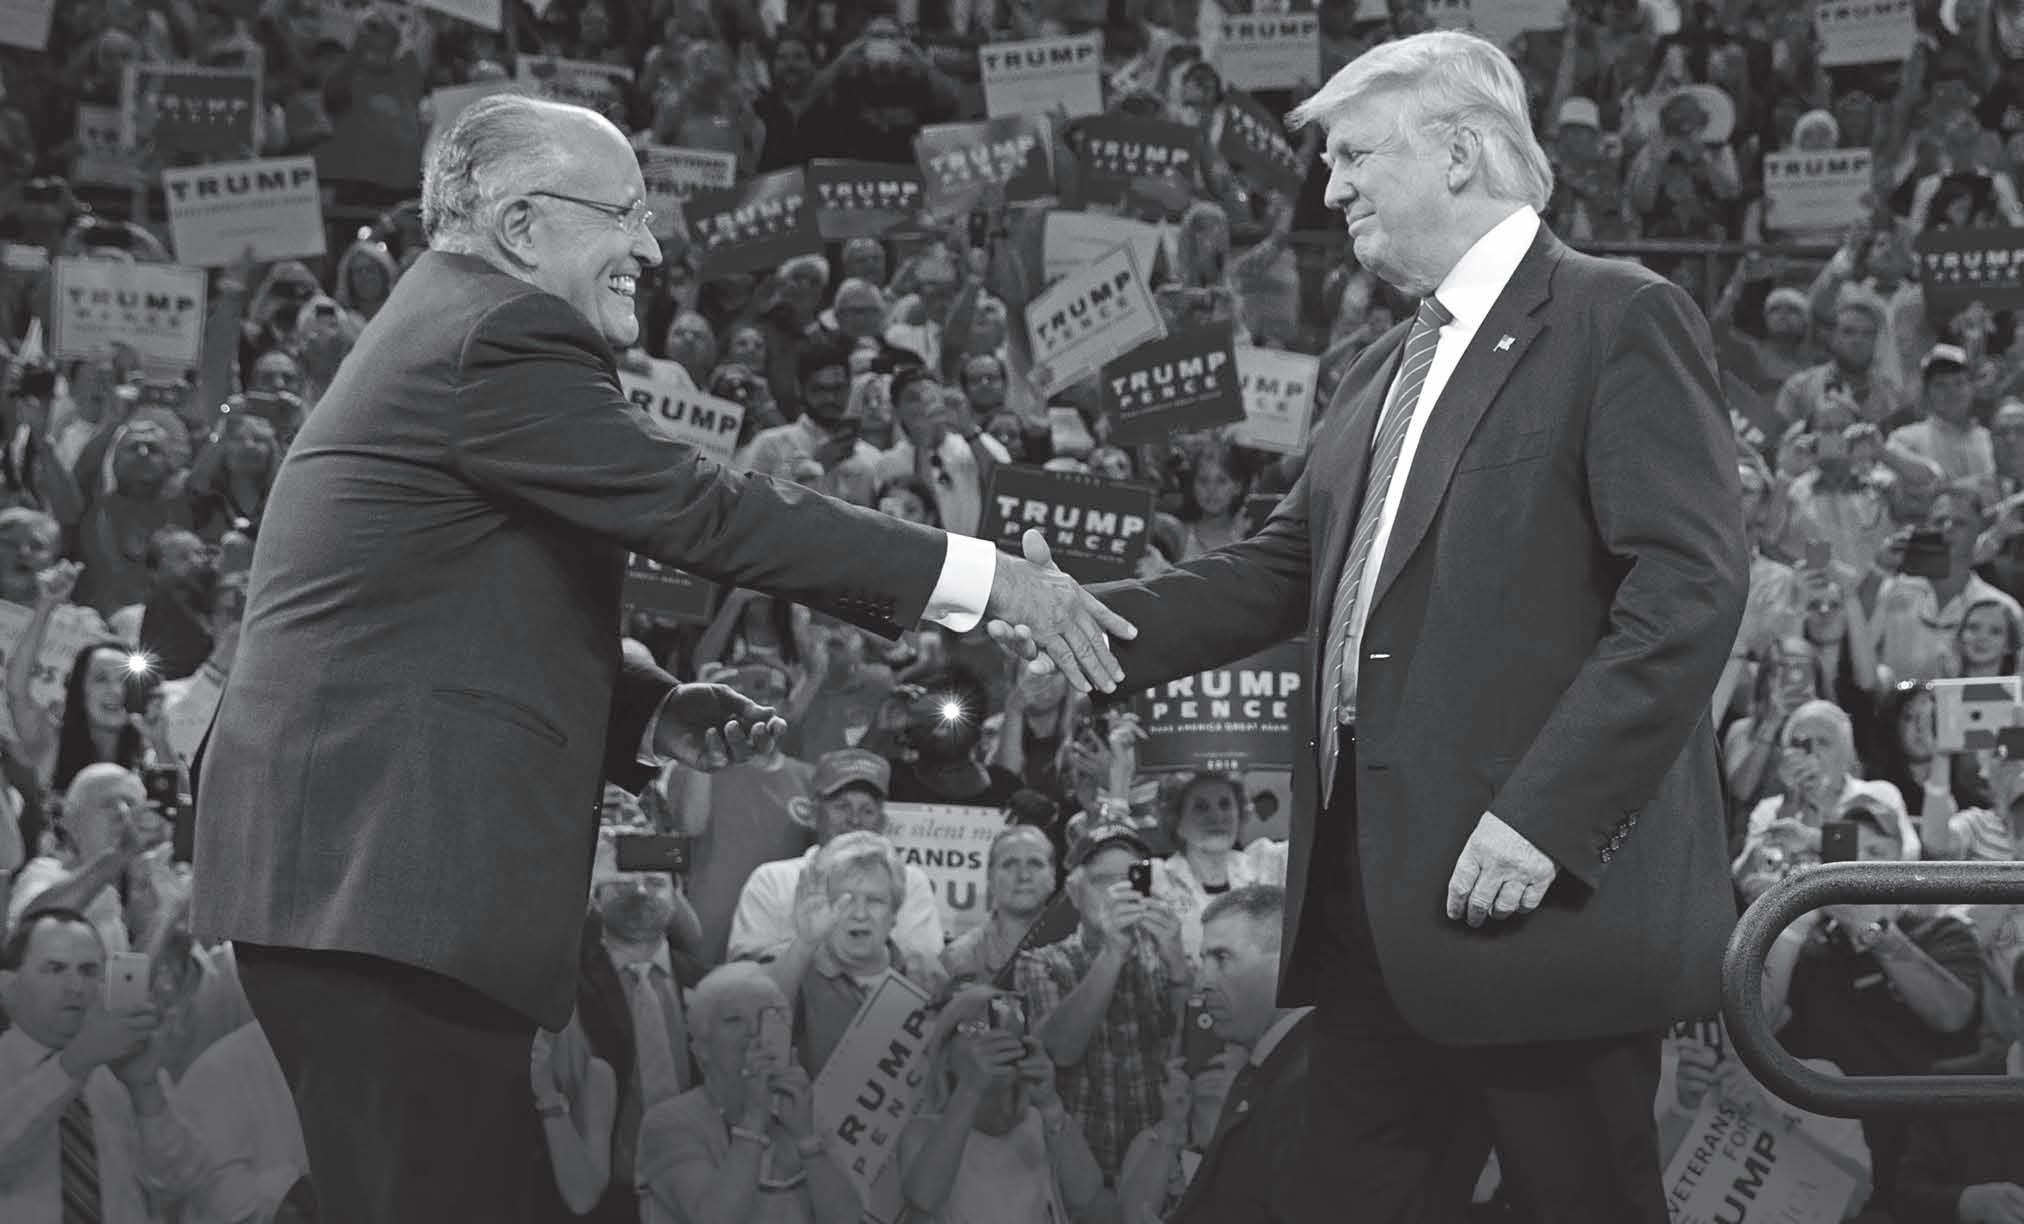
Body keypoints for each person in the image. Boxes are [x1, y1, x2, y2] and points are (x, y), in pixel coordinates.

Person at [190, 93, 1134, 1224]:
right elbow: (707, 509)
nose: (649, 246)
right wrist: (987, 581)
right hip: (384, 883)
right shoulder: (498, 332)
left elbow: (448, 614)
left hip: (369, 882)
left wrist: (644, 707)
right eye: (624, 214)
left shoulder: (449, 327)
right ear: (522, 225)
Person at [1051, 32, 1748, 1222]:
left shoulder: (1616, 315)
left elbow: (1685, 590)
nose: (1329, 189)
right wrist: (1080, 617)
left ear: (1459, 154)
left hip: (1536, 910)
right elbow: (1282, 567)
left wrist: (1544, 818)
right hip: (1373, 917)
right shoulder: (1380, 365)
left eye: (1353, 156)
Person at [0, 906, 217, 1221]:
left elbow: (181, 1183)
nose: (75, 987)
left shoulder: (122, 1068)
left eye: (89, 971)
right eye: (55, 969)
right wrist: (76, 1061)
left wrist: (146, 1090)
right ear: (7, 986)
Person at [1165, 886, 1312, 1224]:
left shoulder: (1309, 1082)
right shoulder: (1270, 1067)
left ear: (1285, 963)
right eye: (1203, 960)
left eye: (1222, 958)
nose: (1202, 982)